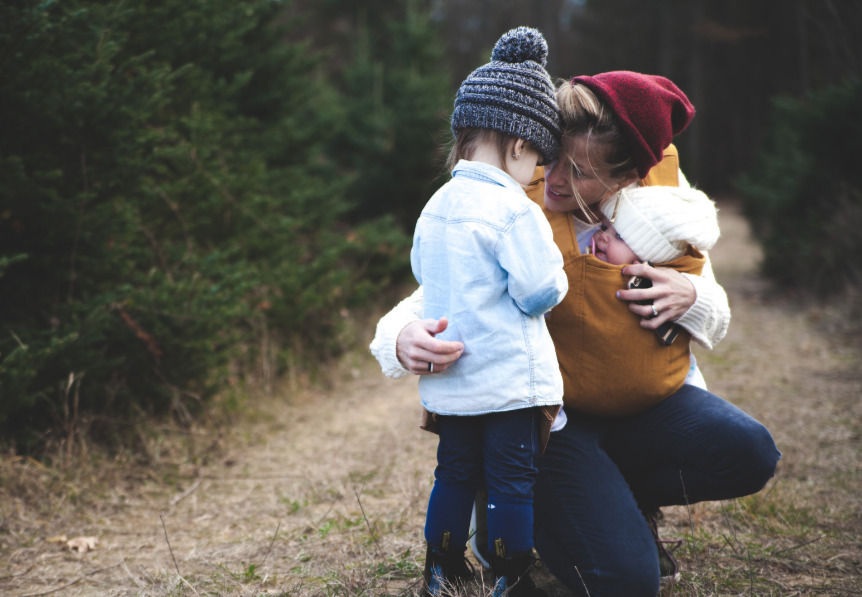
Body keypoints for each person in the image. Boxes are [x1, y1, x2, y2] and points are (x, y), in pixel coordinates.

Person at [371, 68, 780, 596]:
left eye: (581, 172)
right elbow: (439, 288)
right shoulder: (514, 197)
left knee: (750, 451)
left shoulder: (660, 208)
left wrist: (692, 298)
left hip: (641, 408)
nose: (557, 179)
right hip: (547, 423)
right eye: (553, 157)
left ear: (628, 175)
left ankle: (614, 496)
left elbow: (717, 313)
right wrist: (399, 336)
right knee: (627, 582)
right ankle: (502, 504)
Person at [411, 27, 567, 597]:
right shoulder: (512, 208)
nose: (539, 175)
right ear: (520, 145)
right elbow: (537, 292)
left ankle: (441, 568)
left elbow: (423, 275)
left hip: (453, 383)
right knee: (510, 482)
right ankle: (509, 574)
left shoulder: (436, 206)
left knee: (453, 473)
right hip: (508, 381)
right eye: (540, 161)